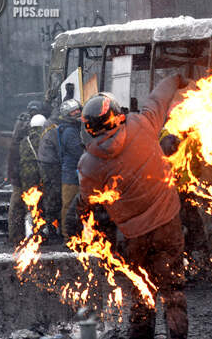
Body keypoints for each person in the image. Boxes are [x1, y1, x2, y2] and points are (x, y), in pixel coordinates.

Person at [76, 75, 187, 339]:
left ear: (90, 128)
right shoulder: (141, 123)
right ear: (116, 115)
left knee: (140, 292)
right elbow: (158, 99)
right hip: (168, 225)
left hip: (134, 236)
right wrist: (175, 79)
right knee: (173, 292)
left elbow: (87, 202)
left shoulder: (88, 164)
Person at [7, 100, 42, 245]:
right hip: (28, 175)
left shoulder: (19, 131)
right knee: (30, 206)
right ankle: (29, 235)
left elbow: (12, 156)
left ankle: (17, 236)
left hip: (19, 173)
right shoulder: (32, 131)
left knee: (17, 207)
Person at [57, 99, 84, 241]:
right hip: (70, 174)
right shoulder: (69, 131)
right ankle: (67, 235)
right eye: (73, 111)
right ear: (68, 114)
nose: (77, 112)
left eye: (78, 109)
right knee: (68, 205)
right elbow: (77, 151)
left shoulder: (75, 128)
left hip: (76, 172)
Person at [38, 117, 62, 239]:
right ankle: (53, 229)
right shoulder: (53, 131)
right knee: (54, 198)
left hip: (46, 169)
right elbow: (59, 150)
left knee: (49, 198)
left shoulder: (44, 131)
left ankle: (50, 227)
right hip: (53, 168)